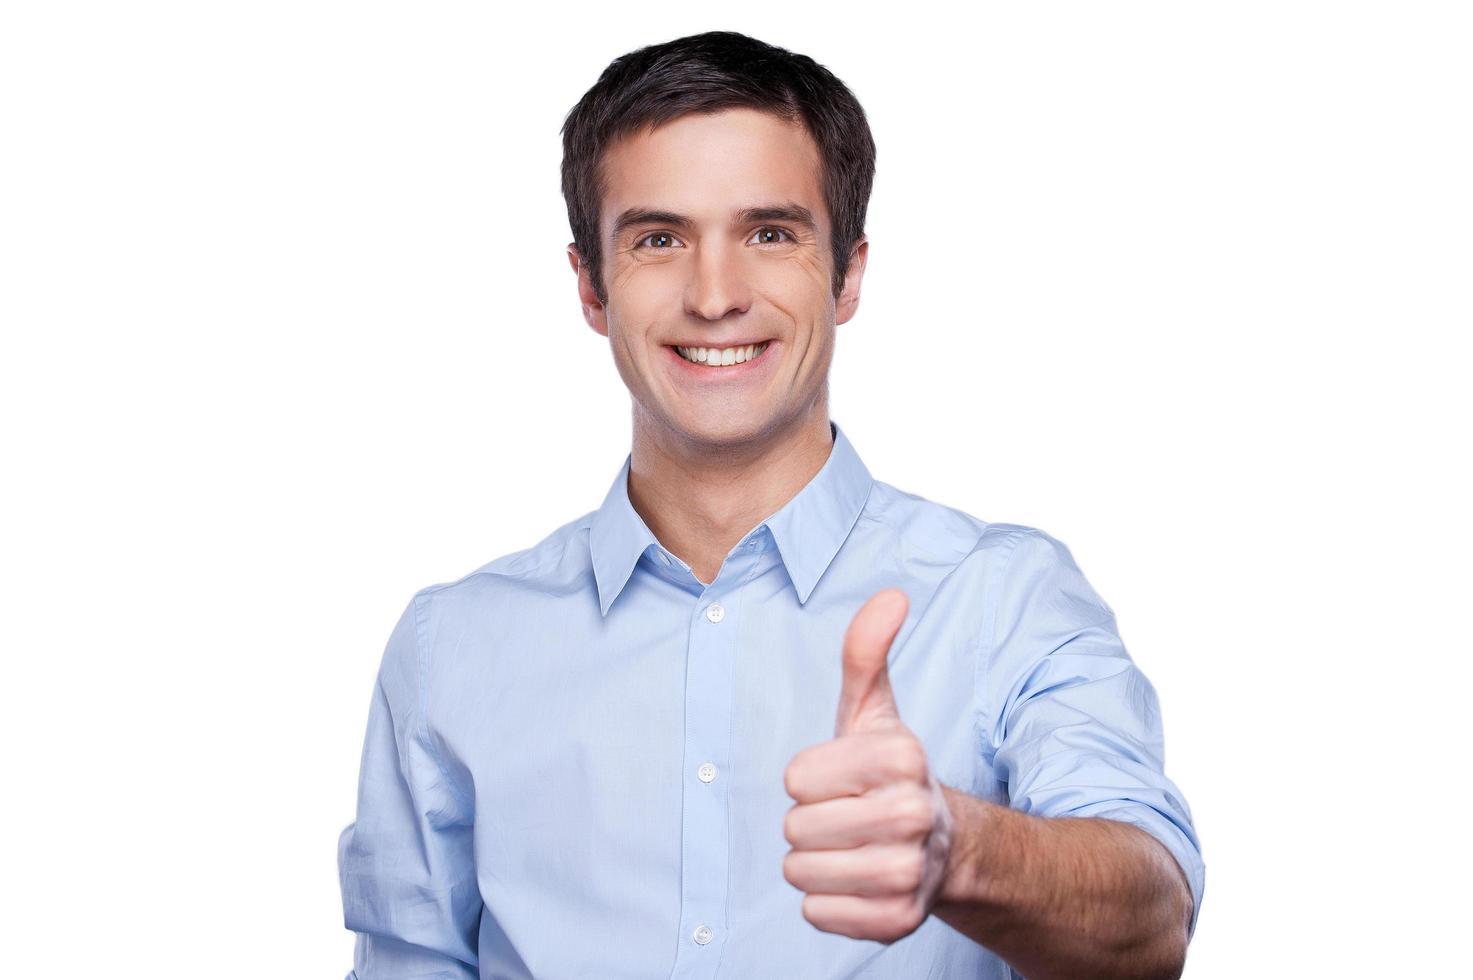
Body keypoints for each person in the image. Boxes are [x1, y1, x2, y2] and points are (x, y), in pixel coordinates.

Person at [337, 30, 1204, 980]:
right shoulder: (449, 646)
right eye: (659, 239)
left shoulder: (1004, 599)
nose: (715, 296)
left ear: (848, 274)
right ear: (589, 284)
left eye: (770, 234)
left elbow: (1149, 922)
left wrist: (958, 846)